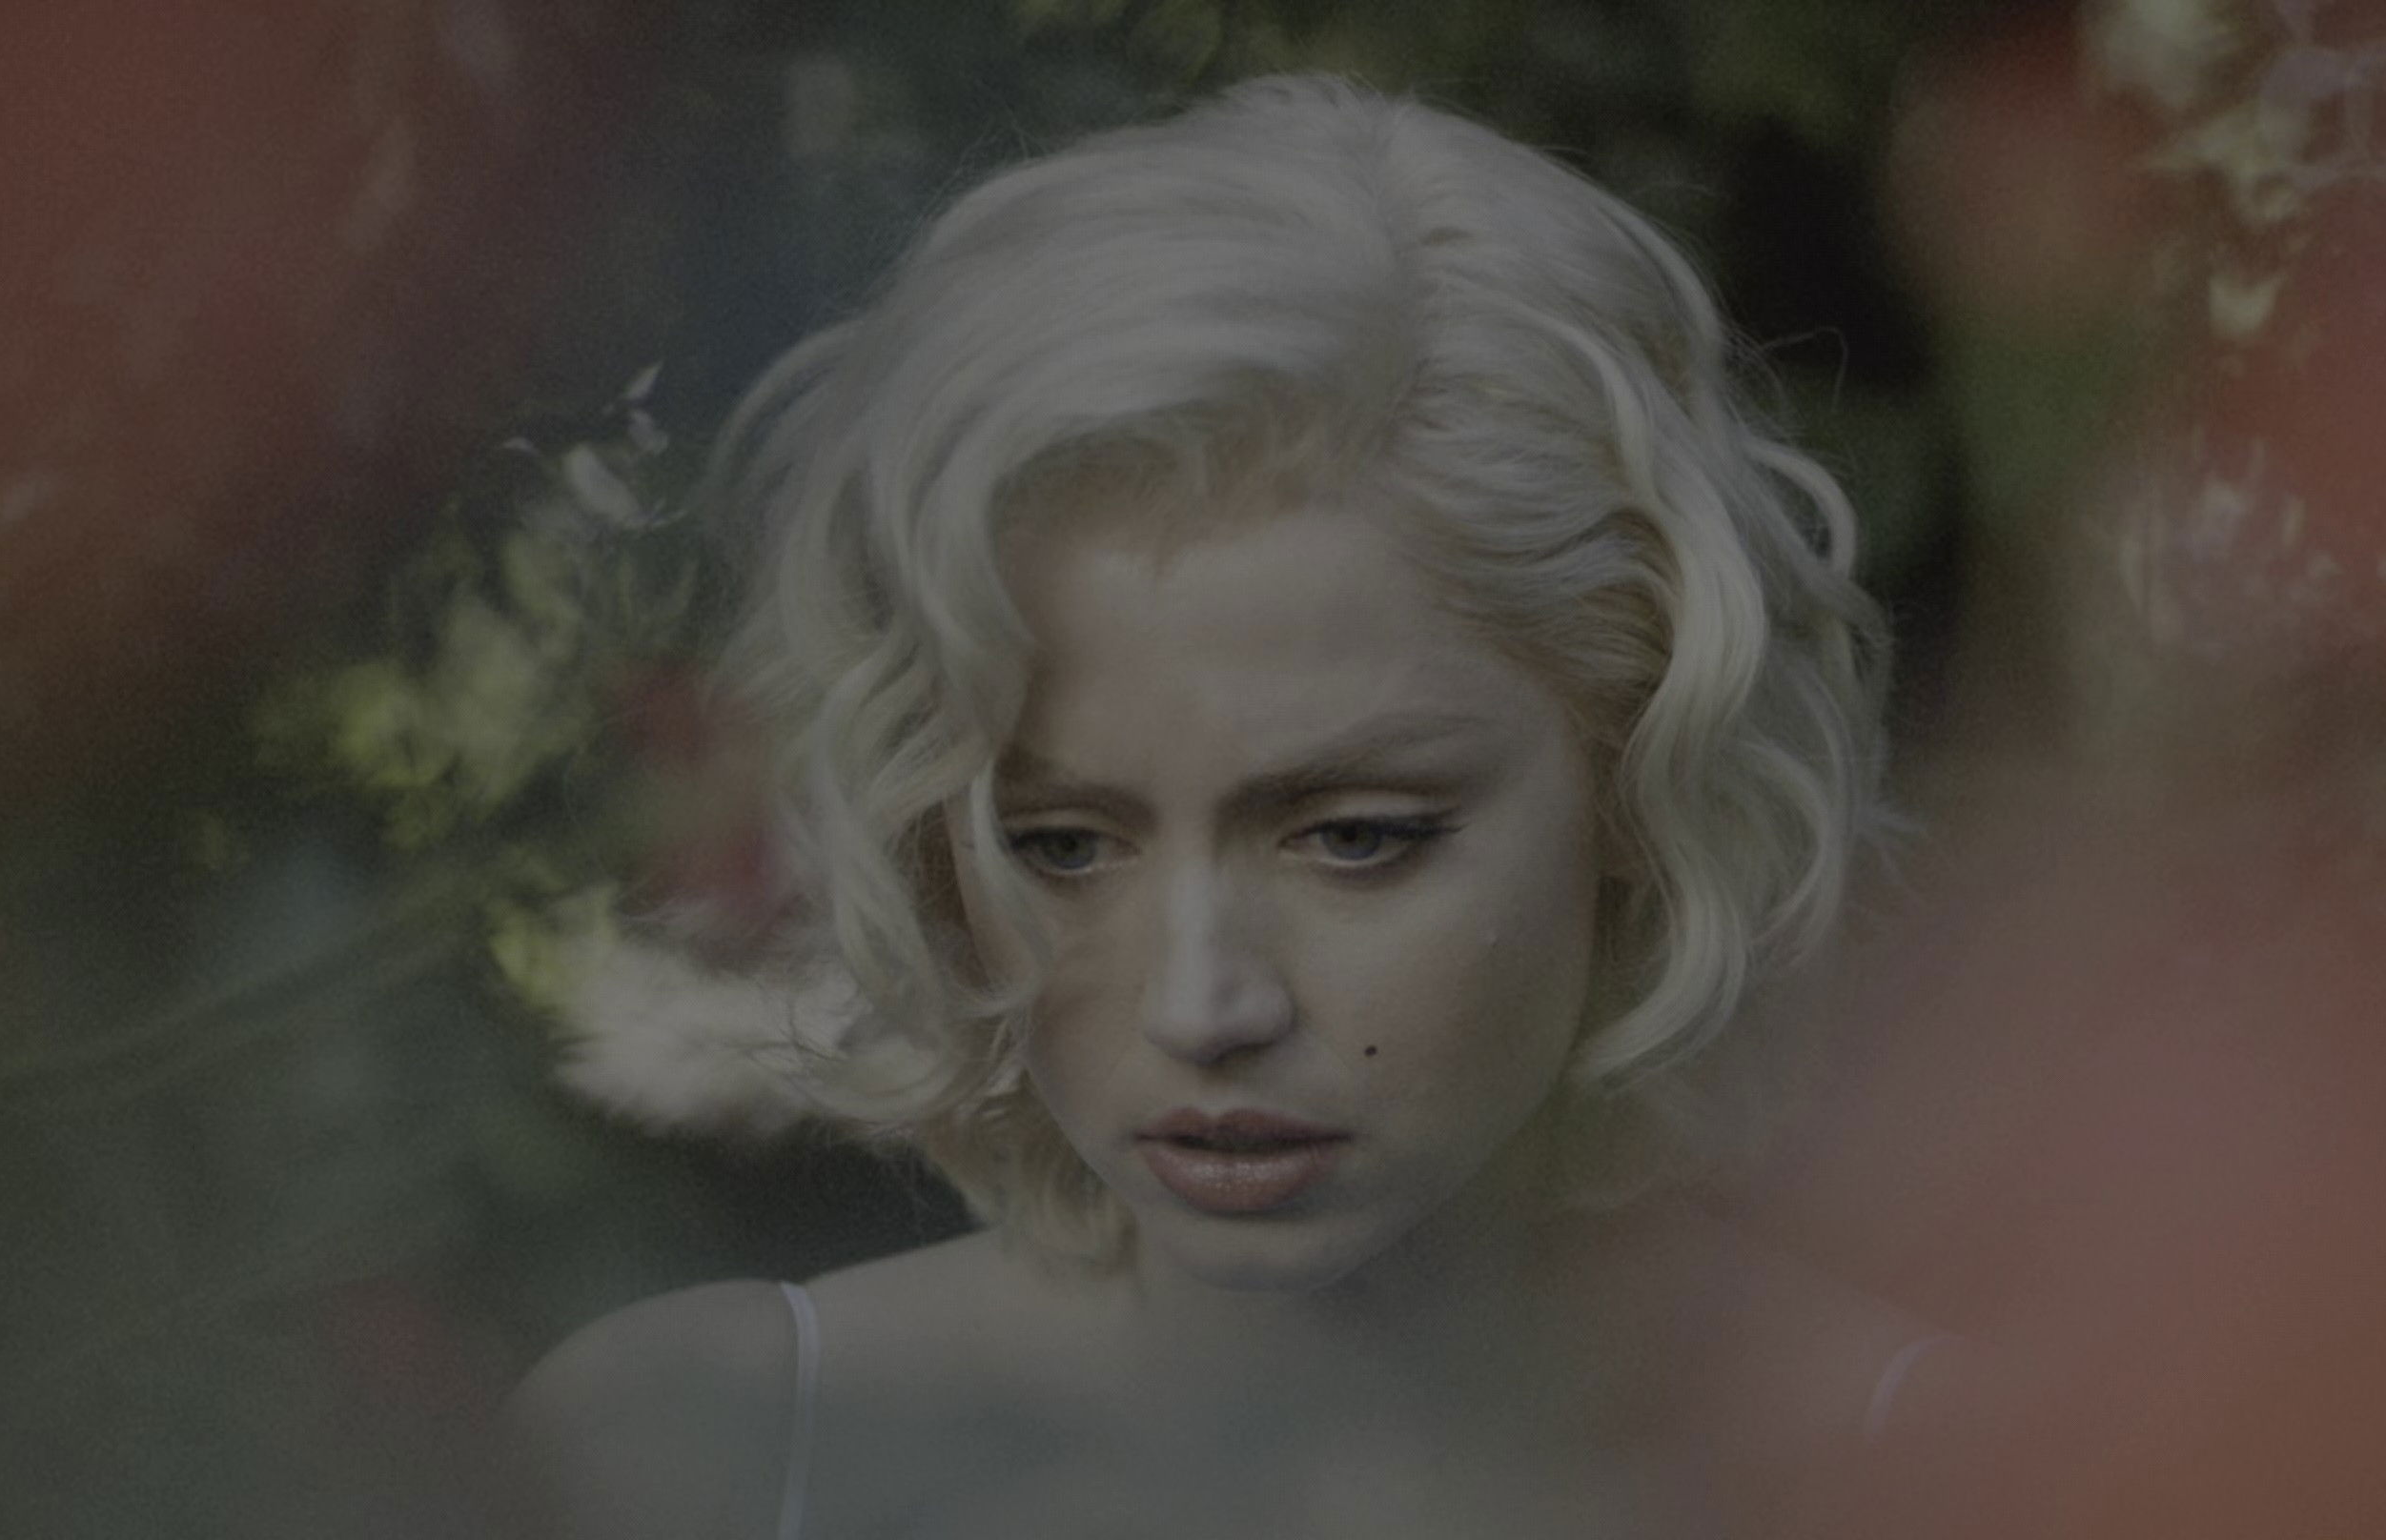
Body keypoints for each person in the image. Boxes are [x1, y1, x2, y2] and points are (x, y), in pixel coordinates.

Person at [506, 72, 1907, 1539]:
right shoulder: (693, 1459)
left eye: (1355, 837)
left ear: (1637, 771)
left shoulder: (1969, 1474)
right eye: (1060, 845)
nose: (1201, 1005)